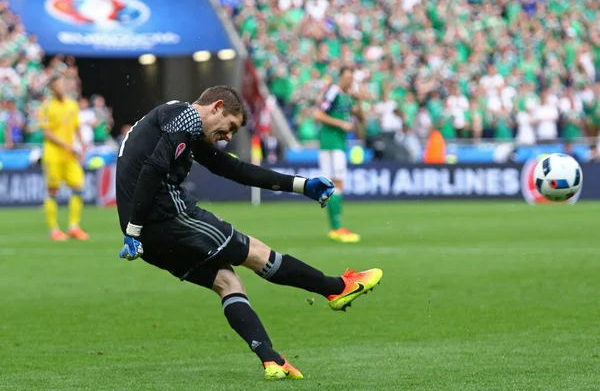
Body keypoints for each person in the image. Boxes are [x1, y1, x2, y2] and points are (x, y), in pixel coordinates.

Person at [116, 86, 383, 380]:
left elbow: (236, 170)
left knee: (227, 281)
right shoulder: (187, 115)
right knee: (256, 253)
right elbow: (153, 169)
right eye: (230, 126)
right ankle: (335, 287)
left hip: (147, 236)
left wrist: (301, 185)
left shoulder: (180, 128)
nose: (229, 137)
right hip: (165, 217)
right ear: (216, 107)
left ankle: (272, 360)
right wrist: (134, 228)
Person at [313, 66, 361, 243]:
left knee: (335, 184)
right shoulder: (333, 91)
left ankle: (336, 227)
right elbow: (318, 114)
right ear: (340, 77)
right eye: (347, 77)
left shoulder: (346, 97)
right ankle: (336, 228)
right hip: (331, 144)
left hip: (338, 144)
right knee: (336, 183)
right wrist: (340, 124)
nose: (349, 80)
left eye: (351, 77)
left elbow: (360, 119)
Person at [39, 75, 89, 241]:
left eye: (62, 84)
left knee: (79, 186)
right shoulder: (47, 107)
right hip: (53, 155)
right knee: (53, 191)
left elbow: (76, 127)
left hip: (70, 155)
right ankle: (54, 229)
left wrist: (82, 145)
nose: (60, 88)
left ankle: (73, 227)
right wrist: (67, 145)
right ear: (52, 89)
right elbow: (47, 133)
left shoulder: (72, 105)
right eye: (57, 85)